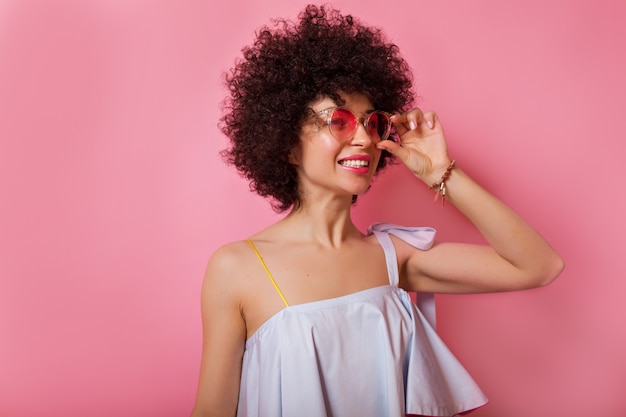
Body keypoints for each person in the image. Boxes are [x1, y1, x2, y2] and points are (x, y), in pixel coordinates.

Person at [191, 5, 564, 417]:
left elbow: (538, 266)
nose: (364, 140)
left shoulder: (394, 257)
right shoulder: (237, 268)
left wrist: (442, 172)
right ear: (285, 142)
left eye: (372, 124)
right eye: (339, 122)